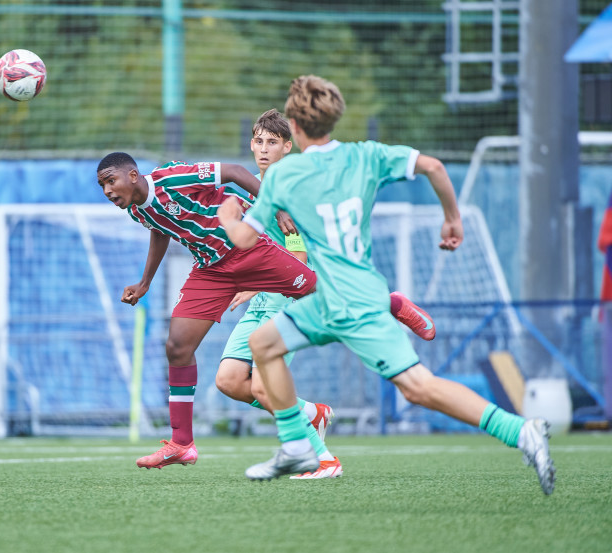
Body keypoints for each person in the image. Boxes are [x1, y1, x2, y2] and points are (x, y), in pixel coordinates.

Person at [218, 75, 556, 495]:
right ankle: (297, 445)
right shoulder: (367, 155)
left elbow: (245, 239)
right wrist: (452, 217)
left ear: (295, 129)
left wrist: (230, 216)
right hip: (337, 296)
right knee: (264, 345)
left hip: (347, 301)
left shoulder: (288, 176)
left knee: (418, 387)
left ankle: (521, 432)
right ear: (333, 119)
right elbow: (433, 166)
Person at [97, 149, 433, 471]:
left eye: (111, 181)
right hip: (212, 270)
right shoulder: (138, 210)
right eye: (102, 186)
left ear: (133, 174)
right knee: (178, 347)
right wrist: (145, 283)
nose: (108, 190)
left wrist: (278, 209)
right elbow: (161, 230)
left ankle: (392, 304)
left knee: (327, 305)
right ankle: (182, 443)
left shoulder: (173, 178)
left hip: (251, 253)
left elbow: (234, 172)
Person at [215, 109, 437, 479]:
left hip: (287, 294)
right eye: (258, 141)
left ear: (289, 146)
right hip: (262, 299)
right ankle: (310, 413)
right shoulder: (252, 187)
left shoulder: (294, 186)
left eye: (273, 142)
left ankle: (323, 460)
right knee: (229, 381)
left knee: (263, 385)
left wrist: (254, 281)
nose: (263, 148)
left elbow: (297, 254)